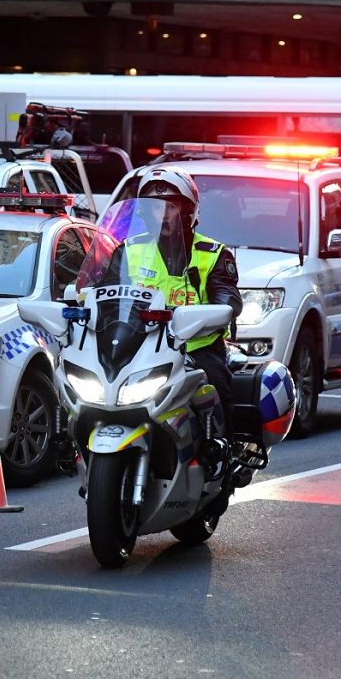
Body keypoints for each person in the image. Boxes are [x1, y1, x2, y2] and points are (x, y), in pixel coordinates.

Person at [132, 168, 243, 475]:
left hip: (195, 349)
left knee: (217, 383)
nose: (162, 215)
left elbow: (228, 296)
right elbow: (101, 290)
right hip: (138, 349)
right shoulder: (129, 250)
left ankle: (223, 455)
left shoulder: (212, 254)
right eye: (155, 207)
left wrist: (222, 307)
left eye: (170, 206)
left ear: (188, 211)